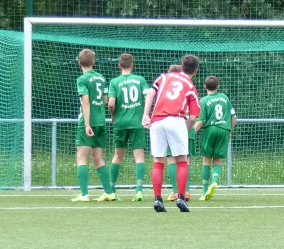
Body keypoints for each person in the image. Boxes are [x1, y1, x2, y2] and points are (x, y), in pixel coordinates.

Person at [142, 55, 201, 212]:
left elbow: (151, 93)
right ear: (196, 70)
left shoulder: (164, 77)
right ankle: (181, 197)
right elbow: (194, 117)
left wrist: (145, 115)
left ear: (181, 66)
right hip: (176, 120)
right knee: (182, 160)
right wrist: (185, 129)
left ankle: (157, 199)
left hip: (157, 120)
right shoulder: (190, 86)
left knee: (158, 160)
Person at [72, 49, 116, 202]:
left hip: (88, 122)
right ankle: (109, 192)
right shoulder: (101, 78)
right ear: (93, 62)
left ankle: (84, 194)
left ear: (79, 63)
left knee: (81, 157)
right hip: (101, 121)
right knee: (98, 158)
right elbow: (105, 100)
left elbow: (85, 101)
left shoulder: (82, 79)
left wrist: (86, 124)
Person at [107, 53, 149, 202]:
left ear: (119, 66)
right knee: (139, 156)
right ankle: (138, 191)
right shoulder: (140, 80)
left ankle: (111, 190)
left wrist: (113, 116)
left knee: (117, 156)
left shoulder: (114, 82)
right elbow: (148, 96)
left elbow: (111, 103)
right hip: (137, 123)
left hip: (120, 122)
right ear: (132, 65)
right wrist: (146, 113)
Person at [194, 76, 237, 201]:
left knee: (206, 160)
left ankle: (205, 190)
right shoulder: (224, 98)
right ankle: (214, 182)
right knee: (217, 160)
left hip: (210, 130)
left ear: (204, 86)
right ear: (218, 86)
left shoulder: (203, 100)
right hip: (224, 129)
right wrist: (230, 130)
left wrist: (190, 134)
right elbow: (234, 117)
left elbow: (200, 121)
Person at [164, 65, 195, 202]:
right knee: (186, 159)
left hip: (172, 127)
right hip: (188, 127)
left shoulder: (165, 90)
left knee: (171, 159)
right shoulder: (188, 86)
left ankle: (177, 192)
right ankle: (186, 191)